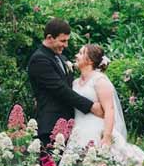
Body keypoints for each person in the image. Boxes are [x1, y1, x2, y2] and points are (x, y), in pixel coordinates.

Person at [65, 43, 144, 166]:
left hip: (97, 132)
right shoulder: (75, 83)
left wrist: (107, 137)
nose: (76, 55)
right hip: (78, 132)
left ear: (89, 60)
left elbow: (109, 110)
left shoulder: (100, 80)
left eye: (81, 53)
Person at [27, 18, 104, 146]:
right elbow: (61, 90)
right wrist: (91, 106)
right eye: (63, 41)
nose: (66, 45)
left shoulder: (61, 58)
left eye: (67, 41)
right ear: (50, 37)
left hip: (70, 125)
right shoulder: (39, 59)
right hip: (51, 126)